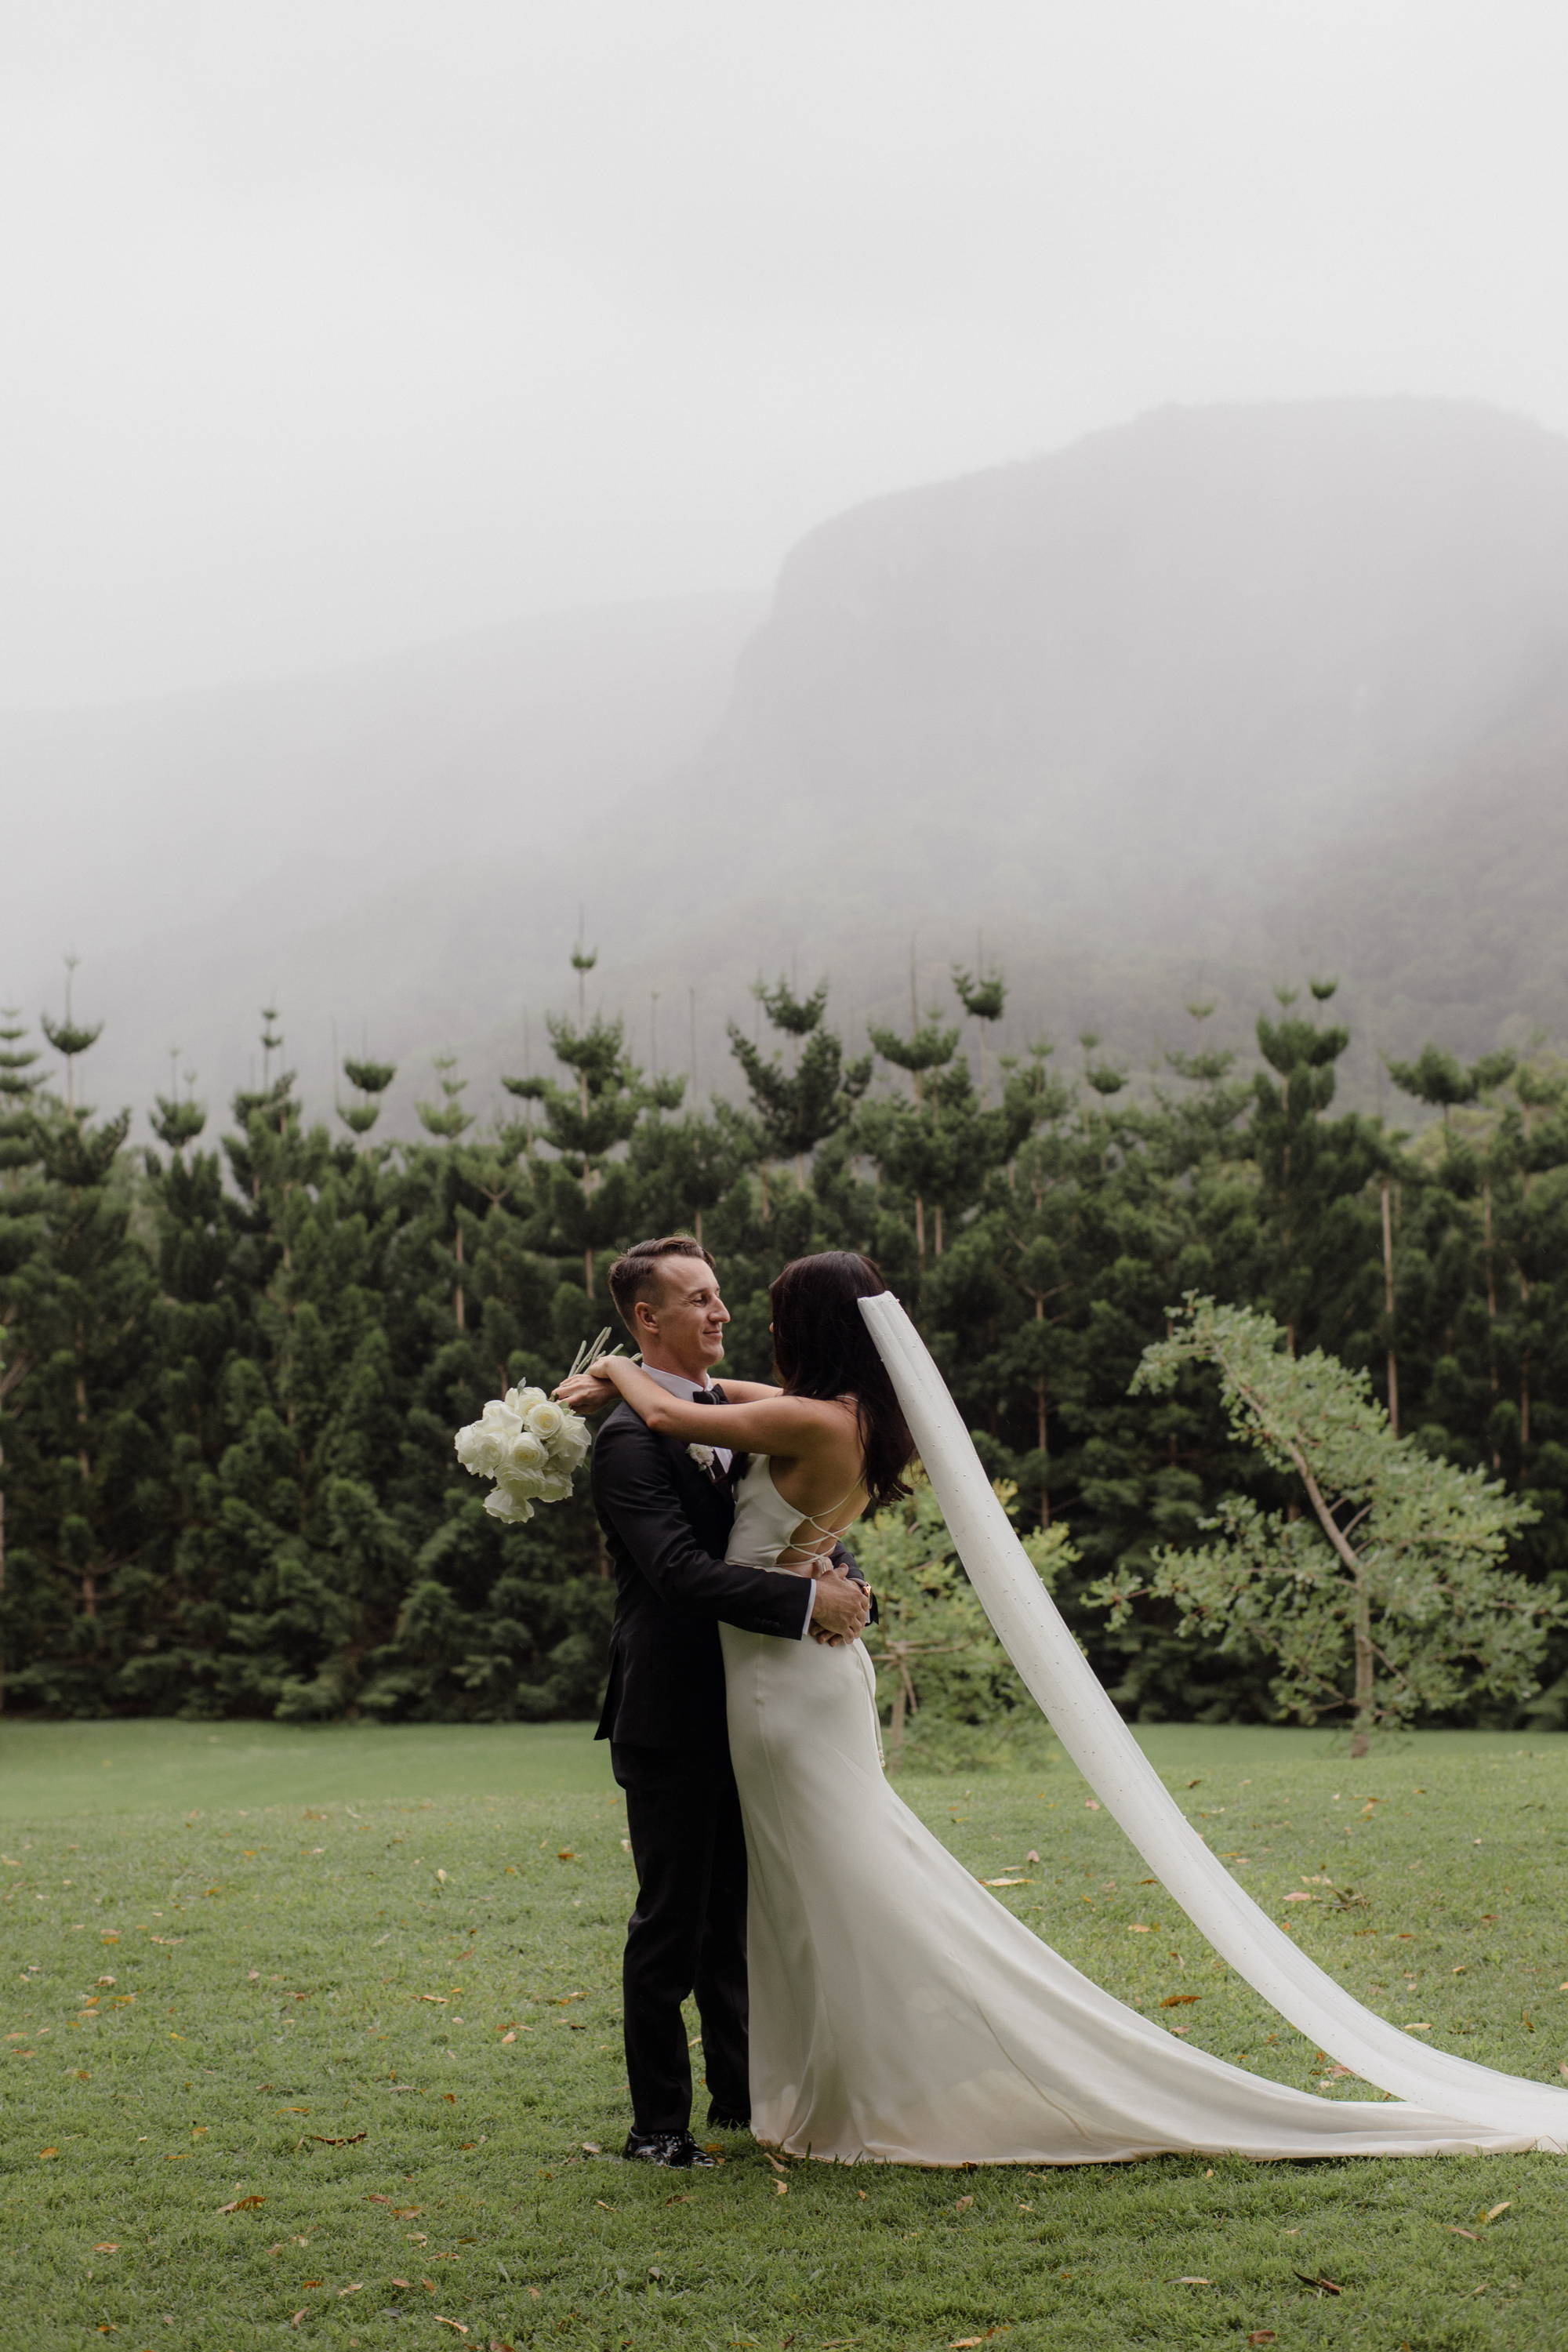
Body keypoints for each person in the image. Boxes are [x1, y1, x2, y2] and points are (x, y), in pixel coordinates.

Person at [564, 1250, 1567, 2165]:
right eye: (703, 1298)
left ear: (807, 1334)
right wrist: (806, 1569)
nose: (730, 1314)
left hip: (785, 1690)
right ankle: (757, 2095)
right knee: (775, 1892)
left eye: (750, 1307)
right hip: (762, 1689)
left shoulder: (790, 1417)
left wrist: (610, 1374)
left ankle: (860, 2076)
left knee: (826, 1881)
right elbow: (705, 1459)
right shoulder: (834, 1412)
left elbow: (678, 1420)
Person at [578, 1236, 870, 2171]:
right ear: (645, 1319)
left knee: (740, 1922)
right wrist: (803, 1603)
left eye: (721, 1296)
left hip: (762, 1708)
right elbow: (677, 1573)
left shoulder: (732, 1414)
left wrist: (841, 1583)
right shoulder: (630, 1439)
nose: (721, 1314)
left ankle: (743, 2100)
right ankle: (657, 2128)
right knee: (671, 1922)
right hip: (670, 1711)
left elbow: (792, 1518)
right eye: (697, 1300)